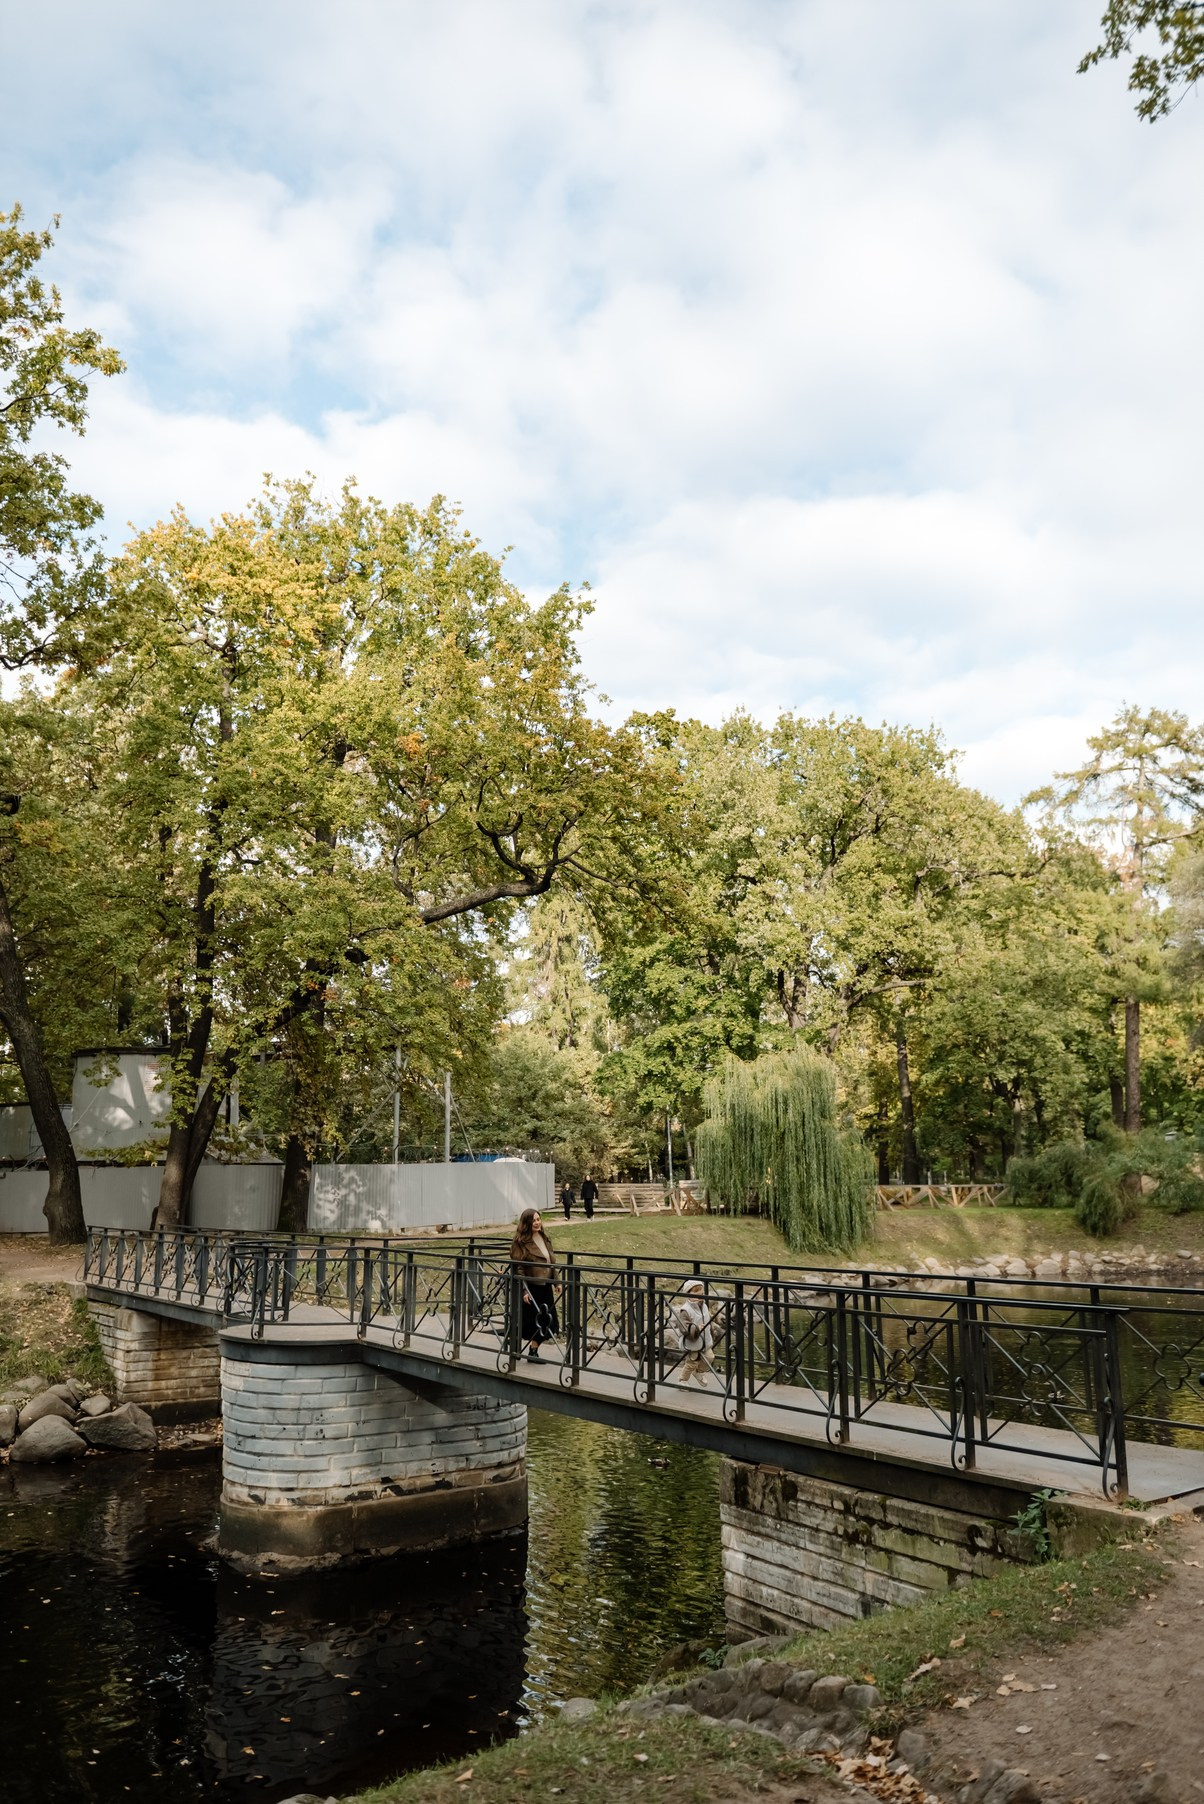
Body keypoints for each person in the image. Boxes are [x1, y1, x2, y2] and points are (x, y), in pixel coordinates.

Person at [510, 1206, 560, 1361]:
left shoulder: (545, 1237)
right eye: (534, 1221)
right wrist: (524, 1291)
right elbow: (519, 1269)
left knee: (546, 1321)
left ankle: (533, 1350)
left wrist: (556, 1282)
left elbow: (551, 1261)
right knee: (528, 1322)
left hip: (545, 1286)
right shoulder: (520, 1242)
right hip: (531, 1287)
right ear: (526, 1223)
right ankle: (514, 1349)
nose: (537, 1223)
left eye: (539, 1219)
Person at [670, 1279, 714, 1385]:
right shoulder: (685, 1310)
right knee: (692, 1362)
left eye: (701, 1295)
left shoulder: (704, 1306)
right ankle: (682, 1380)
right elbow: (684, 1327)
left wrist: (711, 1331)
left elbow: (708, 1320)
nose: (699, 1298)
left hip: (705, 1340)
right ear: (688, 1295)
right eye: (696, 1295)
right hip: (692, 1341)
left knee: (710, 1357)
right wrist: (697, 1328)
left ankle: (699, 1372)